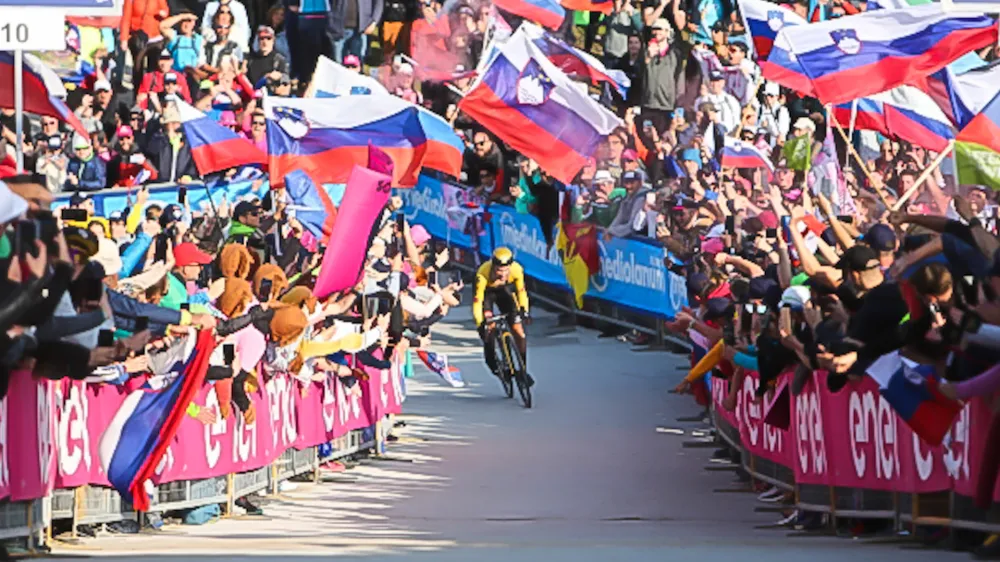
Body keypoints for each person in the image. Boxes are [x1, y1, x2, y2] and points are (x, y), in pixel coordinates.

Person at [473, 247, 534, 388]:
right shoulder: (483, 273)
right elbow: (477, 302)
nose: (502, 274)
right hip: (487, 294)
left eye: (506, 270)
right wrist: (480, 323)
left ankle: (522, 370)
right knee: (489, 328)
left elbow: (521, 292)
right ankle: (494, 364)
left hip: (504, 292)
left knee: (519, 332)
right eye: (499, 271)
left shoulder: (517, 269)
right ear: (493, 266)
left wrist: (524, 310)